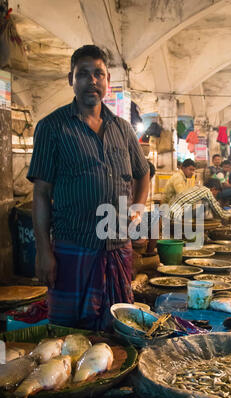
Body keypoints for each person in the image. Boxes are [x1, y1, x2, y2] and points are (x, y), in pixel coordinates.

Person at [27, 45, 150, 331]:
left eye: (98, 73)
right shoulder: (53, 128)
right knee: (69, 332)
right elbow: (42, 193)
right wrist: (43, 251)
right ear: (71, 79)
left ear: (107, 81)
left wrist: (139, 208)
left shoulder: (122, 128)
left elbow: (142, 175)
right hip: (73, 248)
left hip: (117, 249)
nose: (91, 80)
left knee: (119, 330)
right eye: (83, 74)